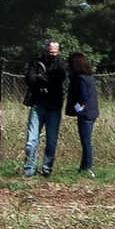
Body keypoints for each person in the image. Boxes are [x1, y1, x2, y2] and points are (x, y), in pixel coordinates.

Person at [21, 40, 66, 178]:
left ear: (58, 51)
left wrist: (40, 78)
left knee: (51, 141)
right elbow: (29, 79)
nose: (52, 54)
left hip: (54, 106)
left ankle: (47, 169)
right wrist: (44, 79)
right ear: (45, 50)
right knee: (31, 140)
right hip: (37, 105)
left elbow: (59, 79)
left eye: (55, 52)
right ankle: (29, 169)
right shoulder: (36, 62)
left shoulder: (61, 64)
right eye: (50, 51)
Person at [64, 51, 100, 174]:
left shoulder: (80, 78)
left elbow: (83, 96)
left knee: (86, 142)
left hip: (86, 114)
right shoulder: (88, 76)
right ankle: (83, 167)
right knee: (86, 141)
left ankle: (88, 167)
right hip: (92, 112)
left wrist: (77, 108)